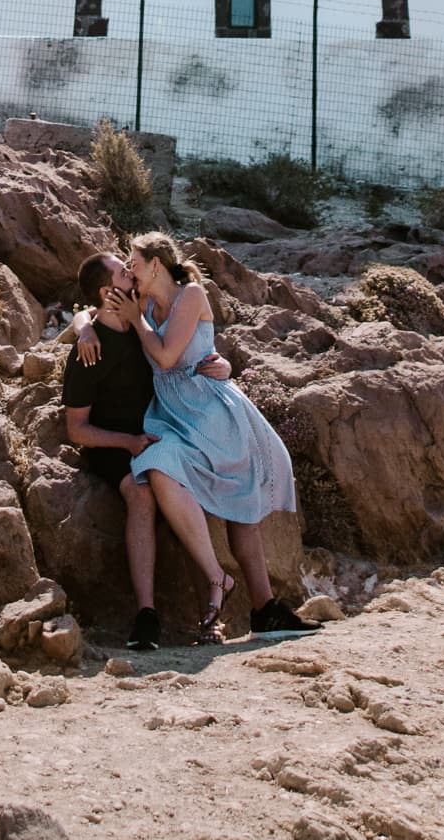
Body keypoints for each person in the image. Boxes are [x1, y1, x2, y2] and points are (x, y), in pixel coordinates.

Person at [78, 231, 321, 644]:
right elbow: (88, 308)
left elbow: (168, 356)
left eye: (134, 261)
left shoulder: (190, 295)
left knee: (240, 512)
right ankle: (217, 581)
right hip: (173, 418)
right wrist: (84, 328)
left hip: (211, 414)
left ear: (156, 264)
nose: (129, 267)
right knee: (158, 466)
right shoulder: (145, 300)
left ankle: (265, 609)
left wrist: (139, 321)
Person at [61, 249, 232, 652]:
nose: (133, 273)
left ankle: (214, 606)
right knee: (141, 493)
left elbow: (187, 348)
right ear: (109, 292)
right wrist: (129, 442)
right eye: (125, 272)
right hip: (112, 443)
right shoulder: (90, 350)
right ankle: (146, 614)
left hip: (158, 431)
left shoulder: (146, 321)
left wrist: (221, 365)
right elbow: (77, 430)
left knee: (189, 480)